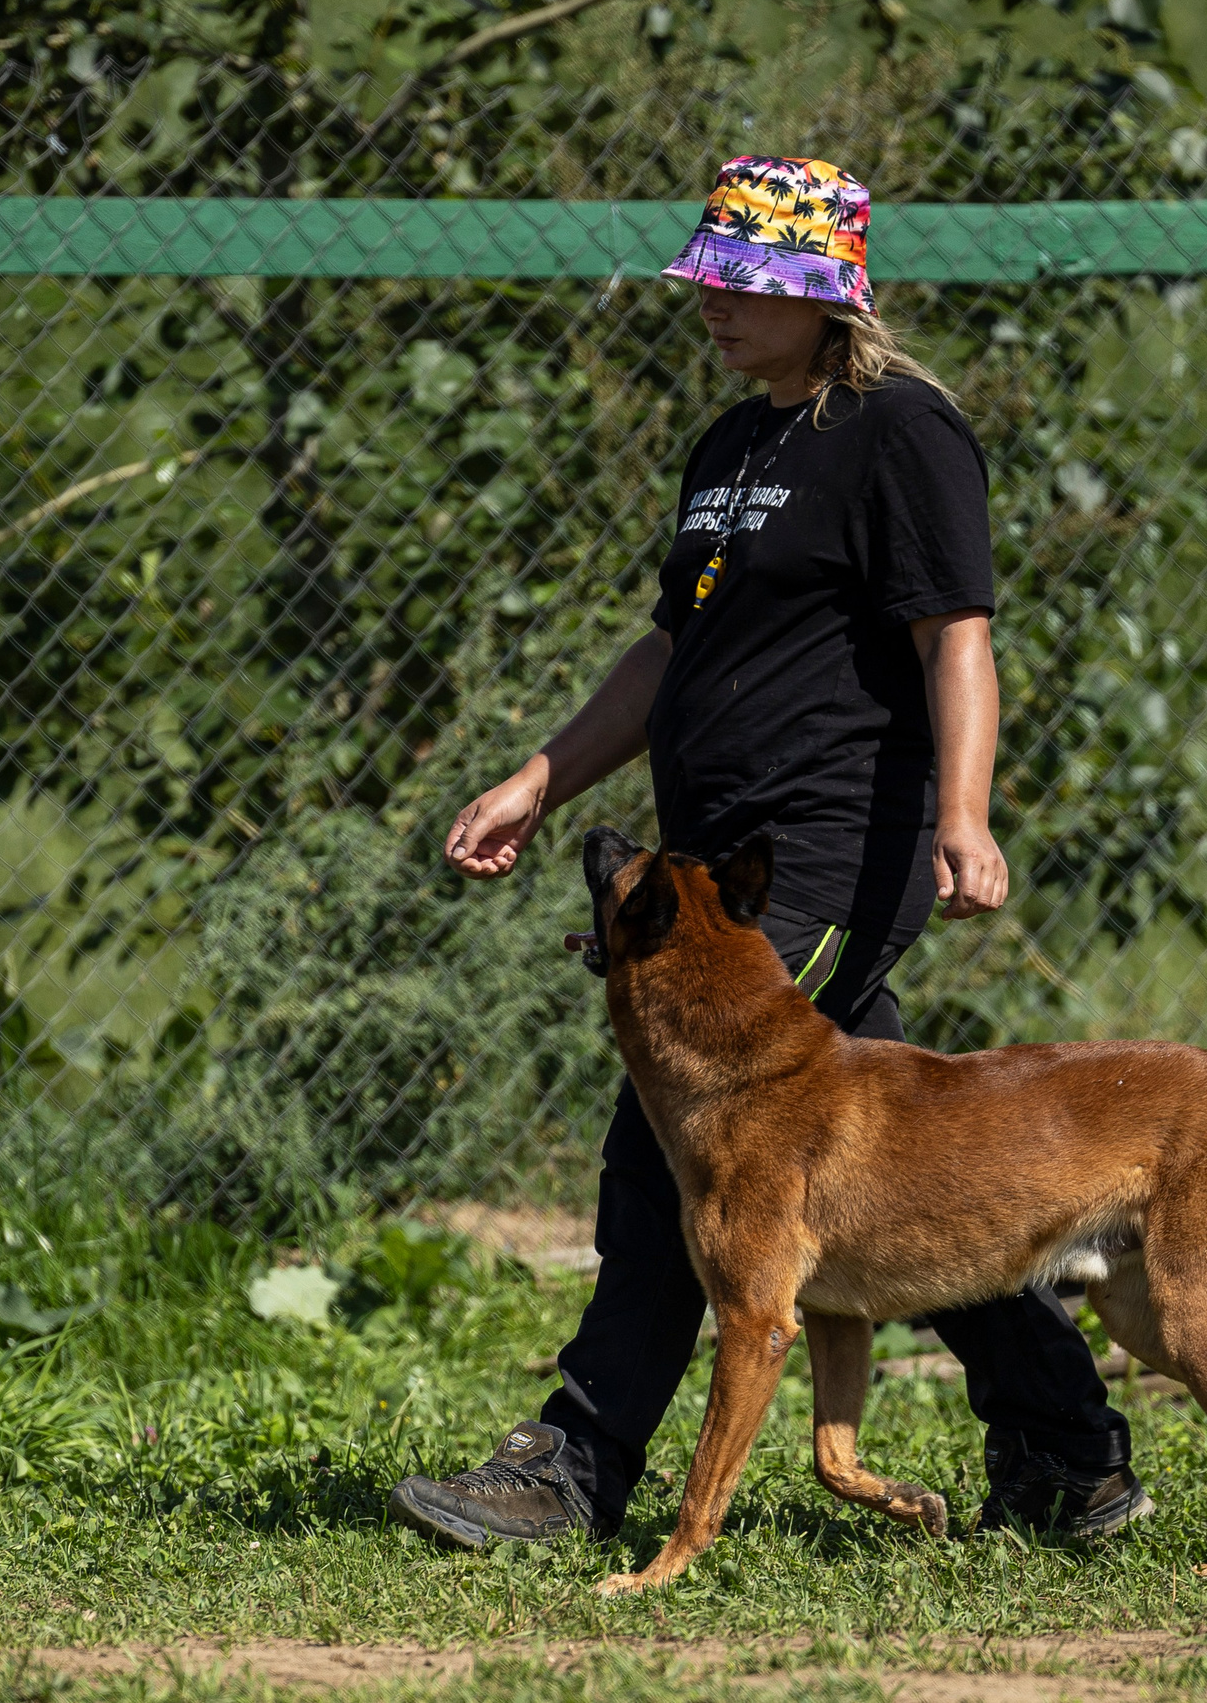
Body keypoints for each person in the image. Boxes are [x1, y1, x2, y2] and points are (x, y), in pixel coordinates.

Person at [386, 156, 1140, 1552]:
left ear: (824, 296)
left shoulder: (902, 433)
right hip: (714, 866)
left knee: (681, 1151)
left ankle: (574, 1467)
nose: (713, 308)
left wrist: (964, 820)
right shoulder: (733, 446)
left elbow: (954, 637)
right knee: (918, 1181)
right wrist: (547, 775)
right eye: (708, 282)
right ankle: (1067, 1452)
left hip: (832, 857)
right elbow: (676, 648)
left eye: (742, 286)